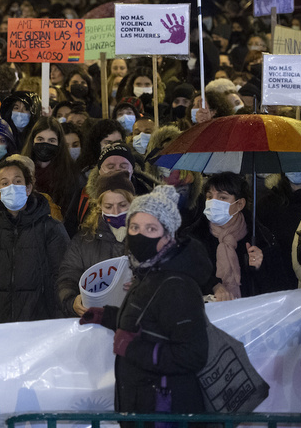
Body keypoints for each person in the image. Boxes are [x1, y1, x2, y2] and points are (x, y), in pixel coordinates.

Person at [79, 185, 211, 419]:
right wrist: (108, 316)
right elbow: (148, 323)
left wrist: (132, 349)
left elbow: (193, 355)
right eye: (135, 227)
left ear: (168, 235)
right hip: (144, 406)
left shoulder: (177, 284)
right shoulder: (150, 271)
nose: (140, 235)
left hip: (166, 411)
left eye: (151, 229)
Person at [0, 158, 69, 325]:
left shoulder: (51, 228)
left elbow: (62, 278)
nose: (11, 187)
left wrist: (61, 320)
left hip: (39, 321)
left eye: (17, 181)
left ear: (28, 188)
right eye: (5, 183)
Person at [188, 172, 281, 300]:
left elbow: (276, 288)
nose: (213, 202)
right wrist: (213, 285)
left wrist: (260, 266)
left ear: (240, 204)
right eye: (209, 197)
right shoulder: (192, 239)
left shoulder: (261, 238)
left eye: (222, 198)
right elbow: (185, 279)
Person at [57, 173, 133, 317]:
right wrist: (72, 300)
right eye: (109, 206)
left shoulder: (147, 235)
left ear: (133, 202)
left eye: (122, 205)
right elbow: (67, 277)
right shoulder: (84, 239)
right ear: (99, 206)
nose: (115, 213)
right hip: (97, 321)